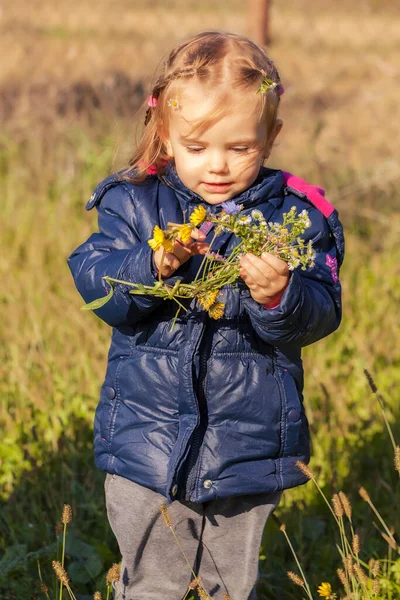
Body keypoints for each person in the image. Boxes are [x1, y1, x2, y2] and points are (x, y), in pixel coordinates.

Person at [68, 31, 344, 600]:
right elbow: (99, 285)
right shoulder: (135, 201)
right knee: (152, 583)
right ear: (166, 135)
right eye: (197, 147)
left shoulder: (298, 216)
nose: (217, 166)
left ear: (271, 137)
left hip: (247, 445)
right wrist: (154, 266)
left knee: (230, 586)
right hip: (147, 443)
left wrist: (280, 297)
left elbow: (322, 312)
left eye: (240, 147)